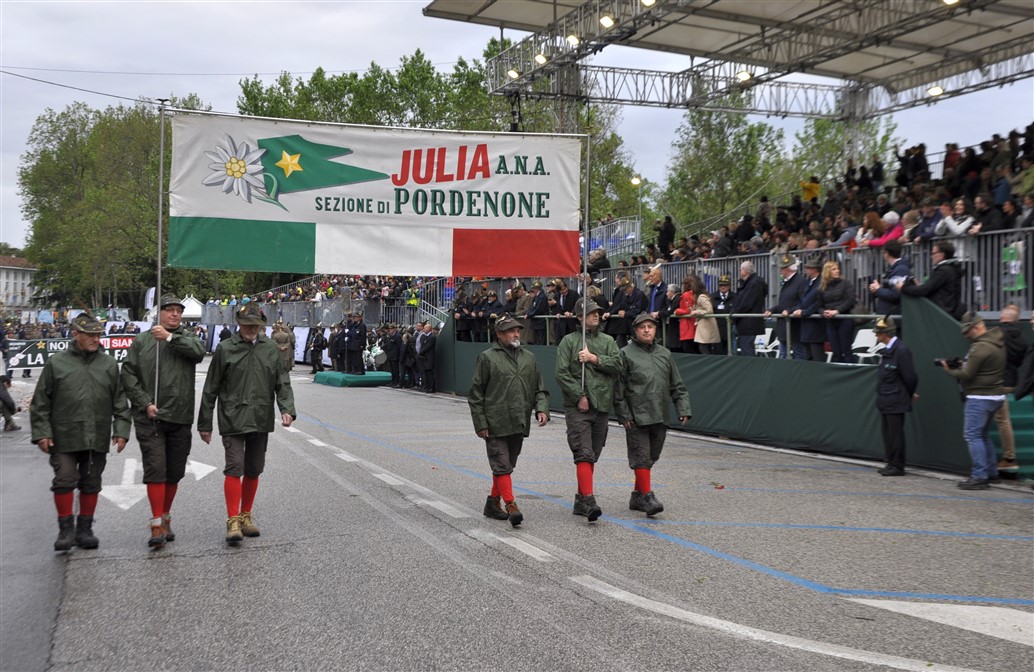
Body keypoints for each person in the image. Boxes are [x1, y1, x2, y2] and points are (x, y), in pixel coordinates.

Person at [31, 313, 131, 551]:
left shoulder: (108, 364)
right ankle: (66, 530)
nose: (96, 339)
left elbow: (119, 401)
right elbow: (41, 402)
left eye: (98, 335)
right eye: (91, 335)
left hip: (95, 434)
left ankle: (85, 529)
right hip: (63, 435)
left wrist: (121, 430)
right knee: (64, 480)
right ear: (76, 334)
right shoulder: (57, 363)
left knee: (91, 482)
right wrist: (43, 432)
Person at [198, 303, 296, 544]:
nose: (251, 329)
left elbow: (282, 381)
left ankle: (246, 515)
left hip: (260, 416)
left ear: (261, 326)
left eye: (256, 325)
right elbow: (211, 386)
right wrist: (205, 423)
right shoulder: (225, 349)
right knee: (234, 467)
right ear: (239, 325)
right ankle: (232, 520)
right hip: (233, 417)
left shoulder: (271, 349)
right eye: (247, 324)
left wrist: (287, 409)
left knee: (254, 468)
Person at [120, 294, 206, 549]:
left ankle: (166, 516)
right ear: (159, 313)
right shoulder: (142, 341)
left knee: (174, 473)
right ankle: (156, 522)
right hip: (151, 418)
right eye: (169, 310)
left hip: (180, 416)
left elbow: (199, 353)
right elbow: (129, 375)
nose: (174, 314)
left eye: (178, 311)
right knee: (156, 469)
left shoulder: (187, 338)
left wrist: (169, 338)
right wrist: (145, 403)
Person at [467, 315, 550, 528]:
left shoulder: (529, 358)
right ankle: (511, 504)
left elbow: (539, 388)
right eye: (511, 331)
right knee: (502, 464)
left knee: (508, 465)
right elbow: (476, 394)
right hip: (495, 422)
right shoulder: (487, 358)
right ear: (499, 334)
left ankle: (492, 503)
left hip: (518, 421)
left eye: (518, 330)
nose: (516, 334)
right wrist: (481, 423)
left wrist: (541, 408)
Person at [614, 313, 691, 517]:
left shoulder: (664, 354)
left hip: (660, 413)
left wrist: (683, 408)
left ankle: (637, 495)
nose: (647, 330)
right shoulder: (625, 354)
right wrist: (624, 414)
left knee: (652, 456)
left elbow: (677, 385)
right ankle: (647, 496)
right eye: (642, 327)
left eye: (650, 326)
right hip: (636, 416)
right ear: (635, 331)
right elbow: (618, 389)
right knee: (641, 457)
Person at [555, 298, 621, 523]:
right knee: (583, 452)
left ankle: (581, 498)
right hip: (579, 408)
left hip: (602, 404)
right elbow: (562, 373)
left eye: (597, 312)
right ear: (579, 317)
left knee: (593, 454)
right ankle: (589, 499)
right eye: (591, 312)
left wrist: (594, 358)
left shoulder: (608, 341)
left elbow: (617, 366)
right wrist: (579, 395)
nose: (596, 315)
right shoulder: (569, 341)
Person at [942, 312, 1006, 490]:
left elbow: (967, 375)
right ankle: (991, 473)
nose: (966, 335)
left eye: (967, 331)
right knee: (983, 435)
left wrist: (949, 369)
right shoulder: (998, 343)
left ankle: (979, 476)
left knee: (972, 435)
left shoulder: (979, 348)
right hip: (995, 395)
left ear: (976, 327)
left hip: (980, 397)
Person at [873, 317, 918, 476]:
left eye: (878, 333)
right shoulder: (888, 350)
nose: (877, 336)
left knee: (896, 434)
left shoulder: (901, 350)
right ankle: (891, 462)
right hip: (886, 398)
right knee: (888, 433)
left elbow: (910, 377)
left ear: (885, 334)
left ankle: (898, 465)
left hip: (895, 398)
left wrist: (910, 393)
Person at [994, 304, 1029, 471]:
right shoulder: (1022, 339)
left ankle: (1009, 458)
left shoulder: (998, 333)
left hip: (997, 380)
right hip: (1011, 381)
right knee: (1002, 419)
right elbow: (1019, 362)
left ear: (1003, 318)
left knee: (1002, 420)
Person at [900, 240, 965, 320]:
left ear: (941, 255)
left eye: (933, 253)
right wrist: (919, 286)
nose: (931, 256)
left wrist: (903, 287)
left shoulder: (943, 271)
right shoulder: (951, 268)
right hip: (948, 312)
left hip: (942, 314)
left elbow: (925, 290)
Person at [765, 255, 808, 360]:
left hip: (794, 325)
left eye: (783, 268)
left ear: (788, 268)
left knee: (798, 352)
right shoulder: (787, 282)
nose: (781, 271)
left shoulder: (800, 281)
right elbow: (783, 303)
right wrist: (772, 310)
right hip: (784, 324)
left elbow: (804, 302)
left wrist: (789, 311)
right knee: (783, 353)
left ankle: (799, 374)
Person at [817, 261, 857, 364]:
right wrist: (823, 313)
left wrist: (837, 311)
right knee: (835, 350)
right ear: (827, 272)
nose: (837, 271)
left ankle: (850, 373)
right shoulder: (822, 287)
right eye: (834, 269)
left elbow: (851, 300)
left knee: (846, 349)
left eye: (837, 268)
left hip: (844, 319)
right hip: (830, 321)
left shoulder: (845, 284)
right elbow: (819, 305)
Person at [794, 258, 827, 362]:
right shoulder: (808, 282)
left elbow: (819, 302)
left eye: (808, 268)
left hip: (816, 324)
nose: (806, 270)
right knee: (808, 355)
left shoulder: (821, 282)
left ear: (815, 269)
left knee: (817, 355)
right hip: (807, 324)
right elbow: (803, 300)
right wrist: (797, 309)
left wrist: (805, 312)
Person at [869, 240, 909, 317]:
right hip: (889, 315)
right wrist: (878, 289)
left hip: (892, 316)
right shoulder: (896, 268)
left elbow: (895, 294)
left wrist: (878, 289)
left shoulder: (900, 269)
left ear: (887, 253)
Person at [688, 275, 720, 355]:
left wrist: (697, 312)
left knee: (703, 348)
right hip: (704, 326)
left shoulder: (701, 297)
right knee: (704, 347)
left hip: (706, 326)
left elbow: (709, 310)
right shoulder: (701, 297)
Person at [672, 274, 698, 353]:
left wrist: (677, 311)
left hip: (687, 327)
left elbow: (688, 310)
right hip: (694, 327)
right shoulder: (696, 294)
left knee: (688, 350)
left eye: (684, 283)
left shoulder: (686, 295)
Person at [711, 275, 736, 355]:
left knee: (731, 351)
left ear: (729, 286)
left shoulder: (735, 297)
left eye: (725, 285)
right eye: (721, 285)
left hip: (730, 329)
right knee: (718, 352)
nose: (723, 287)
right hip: (717, 329)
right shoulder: (713, 297)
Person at [417, 321, 437, 392]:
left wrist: (420, 352)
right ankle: (427, 386)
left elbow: (427, 347)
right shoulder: (424, 336)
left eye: (425, 328)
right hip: (424, 358)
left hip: (429, 358)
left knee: (430, 373)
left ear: (429, 329)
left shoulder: (432, 337)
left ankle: (432, 387)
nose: (424, 329)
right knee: (426, 373)